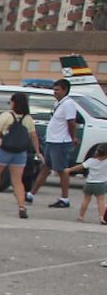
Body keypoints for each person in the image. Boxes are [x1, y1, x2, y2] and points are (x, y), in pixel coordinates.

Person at [0, 93, 40, 219]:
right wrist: (38, 152)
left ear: (13, 102)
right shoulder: (28, 119)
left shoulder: (6, 116)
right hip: (20, 153)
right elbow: (33, 136)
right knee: (17, 181)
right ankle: (22, 206)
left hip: (3, 150)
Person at [37, 79, 84, 208]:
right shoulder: (58, 103)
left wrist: (72, 137)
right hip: (52, 140)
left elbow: (71, 122)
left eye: (57, 90)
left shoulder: (68, 104)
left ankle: (65, 198)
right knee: (46, 167)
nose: (55, 92)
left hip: (60, 141)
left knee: (61, 169)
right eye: (54, 90)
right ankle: (31, 193)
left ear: (65, 90)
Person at [61, 142, 107, 224]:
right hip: (100, 184)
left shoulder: (91, 161)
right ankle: (101, 217)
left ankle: (81, 217)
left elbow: (80, 167)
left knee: (86, 200)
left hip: (89, 183)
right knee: (100, 201)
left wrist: (69, 169)